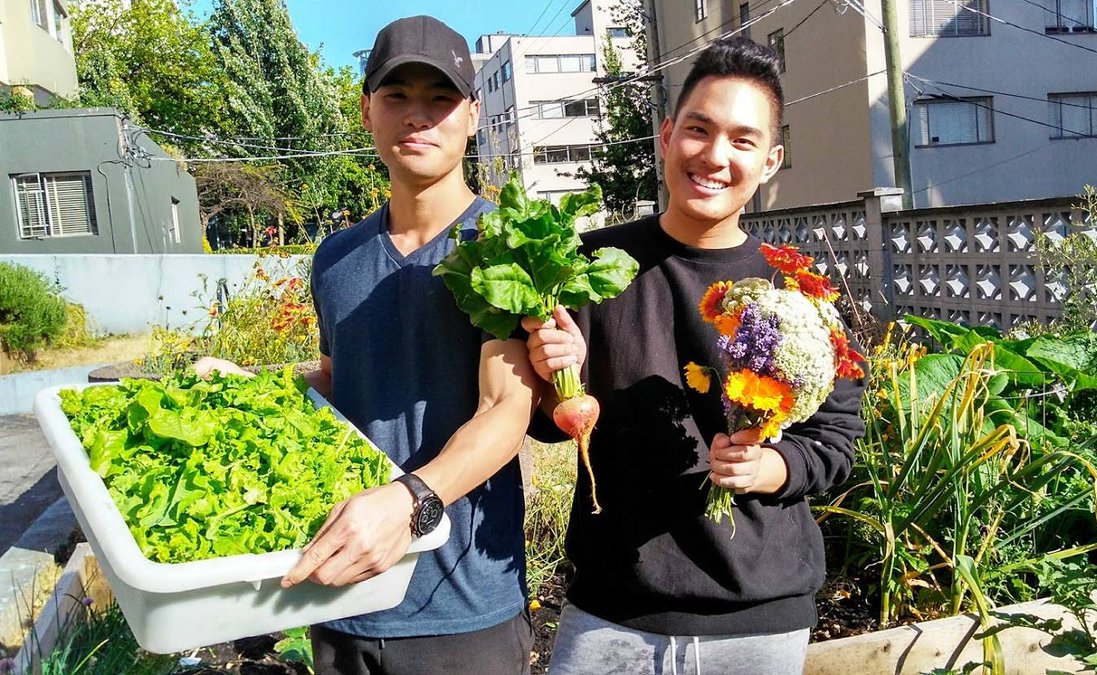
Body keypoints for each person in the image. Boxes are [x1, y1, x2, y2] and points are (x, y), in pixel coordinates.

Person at [198, 15, 537, 675]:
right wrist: (248, 384)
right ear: (366, 112)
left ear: (472, 115)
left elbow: (506, 407)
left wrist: (409, 500)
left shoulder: (506, 245)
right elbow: (340, 379)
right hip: (343, 591)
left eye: (440, 98)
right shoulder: (337, 257)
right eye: (396, 96)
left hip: (460, 606)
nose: (418, 116)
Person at [522, 38, 867, 674]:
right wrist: (550, 379)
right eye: (698, 131)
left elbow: (837, 436)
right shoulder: (588, 266)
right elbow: (547, 425)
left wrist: (772, 467)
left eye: (743, 140)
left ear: (771, 161)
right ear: (665, 135)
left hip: (757, 615)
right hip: (612, 609)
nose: (714, 156)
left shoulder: (799, 289)